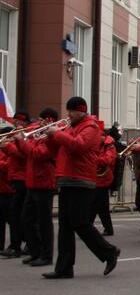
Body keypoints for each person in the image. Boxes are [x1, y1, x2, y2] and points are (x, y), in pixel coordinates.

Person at [42, 97, 119, 279]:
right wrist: (49, 136)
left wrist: (57, 133)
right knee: (65, 226)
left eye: (72, 112)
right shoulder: (71, 127)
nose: (68, 115)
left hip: (81, 180)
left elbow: (78, 146)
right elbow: (56, 150)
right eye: (68, 111)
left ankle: (109, 252)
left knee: (80, 223)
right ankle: (64, 268)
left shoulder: (91, 127)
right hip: (67, 179)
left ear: (82, 111)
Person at [16, 108, 59, 266]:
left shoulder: (52, 136)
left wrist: (21, 140)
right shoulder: (38, 134)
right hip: (32, 181)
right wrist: (18, 140)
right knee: (26, 219)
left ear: (49, 120)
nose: (38, 123)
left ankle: (46, 256)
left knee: (44, 222)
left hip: (44, 182)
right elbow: (27, 153)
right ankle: (35, 252)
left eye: (41, 120)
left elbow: (39, 154)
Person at [0, 111, 32, 258]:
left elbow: (24, 155)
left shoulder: (27, 136)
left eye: (19, 122)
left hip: (22, 178)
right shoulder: (14, 135)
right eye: (15, 122)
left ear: (25, 123)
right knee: (16, 214)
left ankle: (18, 245)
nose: (16, 125)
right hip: (14, 177)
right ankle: (19, 244)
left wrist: (7, 147)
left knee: (18, 215)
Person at [90, 124, 116, 237]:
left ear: (103, 136)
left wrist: (93, 159)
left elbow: (108, 159)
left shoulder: (109, 146)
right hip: (94, 179)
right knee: (101, 207)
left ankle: (87, 228)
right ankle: (108, 229)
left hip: (103, 179)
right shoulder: (96, 145)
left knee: (94, 206)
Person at [0, 132, 14, 252]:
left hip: (8, 189)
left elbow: (8, 166)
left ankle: (18, 242)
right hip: (1, 188)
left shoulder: (10, 150)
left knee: (11, 218)